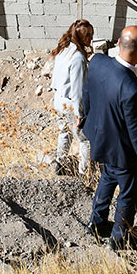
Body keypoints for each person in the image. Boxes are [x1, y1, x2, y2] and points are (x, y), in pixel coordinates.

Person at [81, 25, 137, 250]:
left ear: (119, 43)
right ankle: (120, 238)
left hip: (100, 138)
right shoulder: (133, 89)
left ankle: (96, 223)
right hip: (123, 151)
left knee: (107, 178)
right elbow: (136, 132)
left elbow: (87, 92)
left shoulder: (97, 62)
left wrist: (86, 119)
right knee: (129, 193)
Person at [49, 19, 94, 175]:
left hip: (59, 100)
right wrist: (79, 114)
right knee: (84, 139)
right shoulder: (78, 57)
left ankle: (60, 164)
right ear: (81, 37)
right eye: (88, 35)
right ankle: (84, 173)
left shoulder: (64, 50)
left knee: (64, 133)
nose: (91, 39)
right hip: (71, 104)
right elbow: (77, 89)